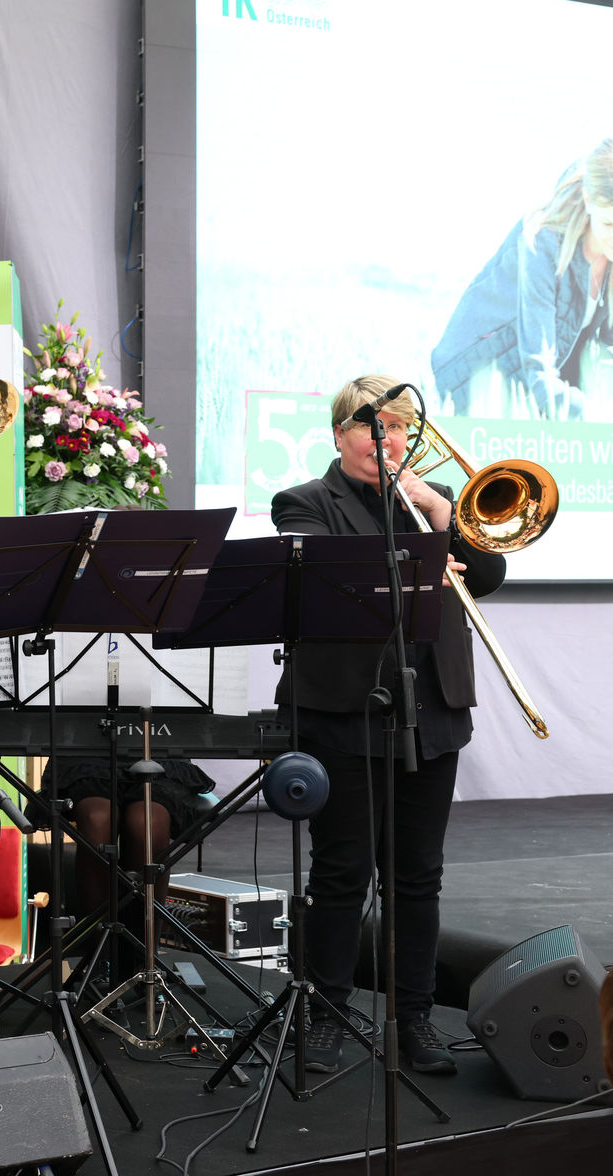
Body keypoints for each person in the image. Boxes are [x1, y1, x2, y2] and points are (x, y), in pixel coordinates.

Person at [272, 375, 505, 1075]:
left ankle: (415, 1021)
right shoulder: (305, 503)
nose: (390, 442)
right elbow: (323, 583)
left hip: (431, 707)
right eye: (375, 429)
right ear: (341, 435)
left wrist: (438, 506)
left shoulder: (432, 505)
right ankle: (328, 1013)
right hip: (345, 709)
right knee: (342, 873)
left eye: (402, 429)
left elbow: (488, 575)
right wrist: (421, 569)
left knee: (419, 878)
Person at [432, 138, 613, 421]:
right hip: (472, 386)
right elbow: (539, 375)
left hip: (533, 400)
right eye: (609, 224)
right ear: (589, 200)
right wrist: (597, 412)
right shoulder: (542, 242)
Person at [55, 756, 212, 981]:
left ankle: (146, 957)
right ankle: (100, 955)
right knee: (98, 819)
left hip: (158, 758)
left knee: (148, 823)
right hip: (90, 757)